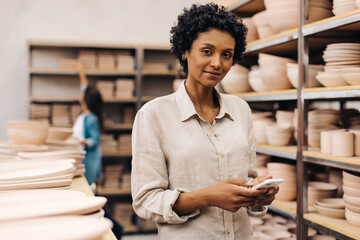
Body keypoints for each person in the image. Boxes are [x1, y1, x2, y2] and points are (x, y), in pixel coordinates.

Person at [131, 3, 279, 239]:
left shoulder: (241, 110)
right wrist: (209, 197)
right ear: (185, 51)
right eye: (207, 51)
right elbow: (145, 201)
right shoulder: (154, 115)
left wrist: (258, 193)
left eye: (227, 55)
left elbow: (248, 178)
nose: (218, 63)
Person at [73, 62, 103, 186]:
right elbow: (84, 87)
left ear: (86, 100)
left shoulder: (90, 118)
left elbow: (95, 139)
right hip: (83, 159)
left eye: (83, 94)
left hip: (89, 162)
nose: (80, 94)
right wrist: (81, 72)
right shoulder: (84, 115)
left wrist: (80, 142)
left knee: (88, 187)